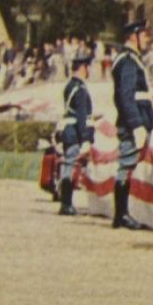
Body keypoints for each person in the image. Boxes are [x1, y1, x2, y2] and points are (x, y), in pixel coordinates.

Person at [110, 18, 153, 231]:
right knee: (126, 166)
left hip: (138, 119)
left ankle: (123, 213)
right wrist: (136, 124)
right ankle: (121, 215)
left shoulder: (132, 59)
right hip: (133, 121)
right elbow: (125, 96)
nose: (147, 39)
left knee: (128, 166)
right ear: (133, 36)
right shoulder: (127, 61)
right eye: (144, 35)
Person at [56, 53, 95, 216]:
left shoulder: (70, 86)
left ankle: (66, 202)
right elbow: (81, 116)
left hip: (68, 130)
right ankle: (66, 204)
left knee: (68, 165)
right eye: (88, 67)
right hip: (74, 132)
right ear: (83, 68)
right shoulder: (79, 89)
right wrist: (85, 138)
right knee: (70, 167)